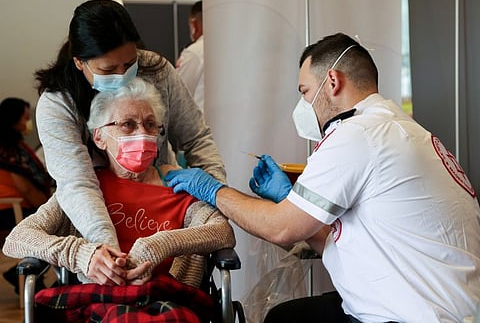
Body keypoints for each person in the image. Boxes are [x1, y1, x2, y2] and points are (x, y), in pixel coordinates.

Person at [165, 33, 480, 322]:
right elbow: (337, 238)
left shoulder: (357, 135)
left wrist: (212, 188)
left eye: (305, 92)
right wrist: (287, 199)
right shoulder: (400, 129)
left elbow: (281, 228)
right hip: (439, 307)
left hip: (411, 315)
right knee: (286, 318)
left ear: (332, 81)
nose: (303, 106)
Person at [3, 78, 235, 322]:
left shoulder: (180, 184)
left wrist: (158, 245)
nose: (143, 134)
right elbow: (18, 239)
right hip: (100, 299)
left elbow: (222, 232)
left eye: (150, 124)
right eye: (127, 124)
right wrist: (83, 254)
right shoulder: (84, 191)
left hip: (167, 298)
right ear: (99, 137)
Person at [34, 0, 226, 257]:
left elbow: (196, 138)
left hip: (162, 208)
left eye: (129, 64)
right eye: (108, 69)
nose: (123, 75)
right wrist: (107, 250)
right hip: (95, 221)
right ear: (80, 62)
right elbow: (77, 183)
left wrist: (213, 195)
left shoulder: (156, 71)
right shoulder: (58, 103)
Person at [0, 97, 54, 292]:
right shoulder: (8, 149)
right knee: (55, 227)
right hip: (9, 211)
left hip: (16, 208)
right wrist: (48, 208)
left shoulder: (15, 145)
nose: (28, 122)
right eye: (25, 117)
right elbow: (25, 188)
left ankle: (22, 274)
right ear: (13, 119)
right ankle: (26, 276)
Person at [176, 0, 205, 111]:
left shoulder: (194, 52)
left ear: (194, 24)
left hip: (201, 122)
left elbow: (178, 93)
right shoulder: (233, 49)